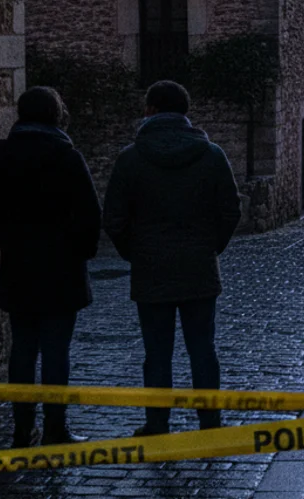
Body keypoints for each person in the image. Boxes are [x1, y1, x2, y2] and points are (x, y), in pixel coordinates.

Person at [103, 81, 242, 435]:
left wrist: (135, 253)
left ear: (150, 109)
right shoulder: (211, 155)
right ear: (185, 111)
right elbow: (230, 210)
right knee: (202, 350)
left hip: (151, 268)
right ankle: (210, 422)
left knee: (157, 352)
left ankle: (156, 422)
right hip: (198, 267)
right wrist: (211, 246)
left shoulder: (130, 159)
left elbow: (114, 218)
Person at [0, 86, 101, 448]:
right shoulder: (66, 156)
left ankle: (21, 428)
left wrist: (10, 241)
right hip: (62, 268)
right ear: (55, 114)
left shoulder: (0, 156)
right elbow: (90, 214)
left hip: (20, 265)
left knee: (23, 349)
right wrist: (80, 251)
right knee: (56, 351)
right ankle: (55, 427)